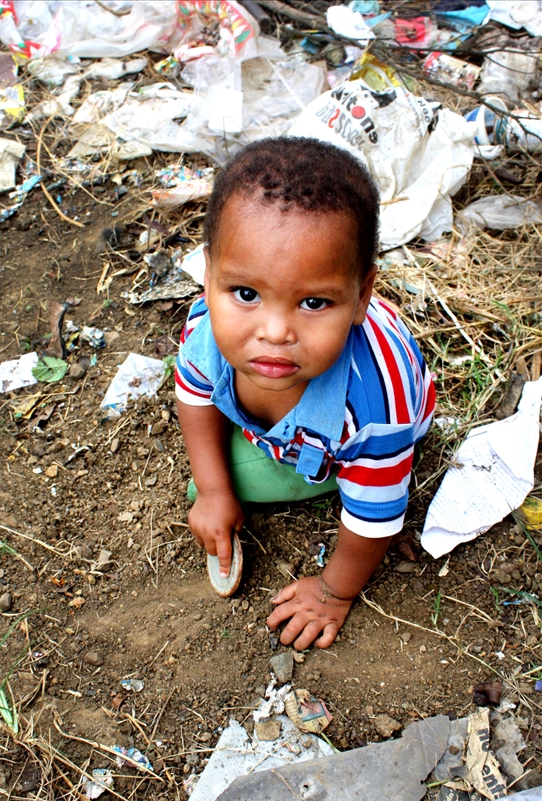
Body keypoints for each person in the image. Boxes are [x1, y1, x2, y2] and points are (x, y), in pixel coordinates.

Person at [175, 137, 435, 651]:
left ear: (362, 296)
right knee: (210, 482)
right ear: (208, 278)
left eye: (314, 302)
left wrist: (333, 592)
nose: (274, 331)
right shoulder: (207, 330)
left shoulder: (375, 412)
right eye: (246, 294)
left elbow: (375, 518)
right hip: (294, 423)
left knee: (329, 486)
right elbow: (194, 394)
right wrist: (213, 490)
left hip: (341, 446)